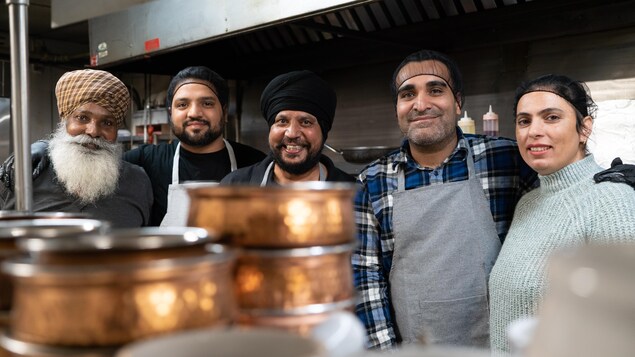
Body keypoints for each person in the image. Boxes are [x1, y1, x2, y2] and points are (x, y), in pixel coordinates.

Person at [352, 49, 539, 350]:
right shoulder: (371, 182)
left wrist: (600, 178)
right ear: (397, 107)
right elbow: (366, 282)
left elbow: (562, 194)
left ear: (458, 101)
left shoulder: (506, 159)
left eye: (435, 90)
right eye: (407, 94)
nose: (421, 104)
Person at [488, 74, 635, 355]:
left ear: (584, 129)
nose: (534, 131)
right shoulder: (528, 203)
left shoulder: (612, 200)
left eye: (551, 117)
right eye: (524, 120)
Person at [0, 69, 152, 227]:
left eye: (107, 123)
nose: (93, 131)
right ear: (64, 119)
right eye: (82, 118)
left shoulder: (137, 182)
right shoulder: (23, 174)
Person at [123, 66, 266, 225]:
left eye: (207, 103)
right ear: (171, 114)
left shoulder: (257, 164)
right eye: (183, 105)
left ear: (224, 113)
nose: (194, 113)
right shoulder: (145, 160)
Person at [221, 70, 354, 185]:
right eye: (282, 121)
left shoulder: (355, 194)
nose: (292, 133)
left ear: (323, 131)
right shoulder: (234, 187)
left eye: (306, 122)